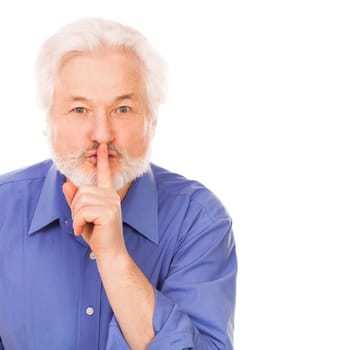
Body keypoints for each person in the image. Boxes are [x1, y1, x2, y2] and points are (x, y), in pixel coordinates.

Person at [0, 17, 237, 349]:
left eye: (123, 109)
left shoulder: (199, 221)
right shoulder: (3, 209)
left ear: (152, 120)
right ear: (49, 119)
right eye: (79, 109)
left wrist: (113, 256)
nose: (101, 134)